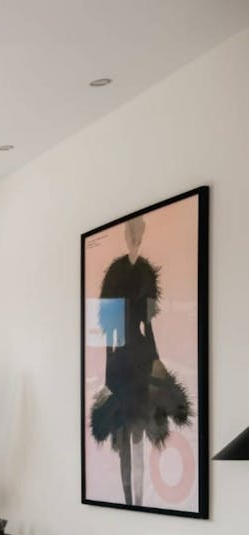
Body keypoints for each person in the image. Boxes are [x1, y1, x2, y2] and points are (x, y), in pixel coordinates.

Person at [89, 216, 191, 506]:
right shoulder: (115, 274)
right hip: (121, 359)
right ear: (126, 234)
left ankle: (138, 500)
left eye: (138, 231)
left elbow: (149, 326)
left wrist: (156, 359)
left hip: (141, 354)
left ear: (142, 234)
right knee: (123, 433)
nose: (134, 236)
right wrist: (109, 376)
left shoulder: (146, 273)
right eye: (131, 231)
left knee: (139, 433)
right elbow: (109, 330)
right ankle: (127, 500)